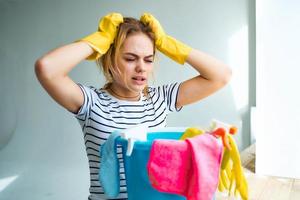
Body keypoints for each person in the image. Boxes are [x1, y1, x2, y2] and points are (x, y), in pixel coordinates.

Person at [35, 12, 231, 200]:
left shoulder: (160, 99)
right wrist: (98, 40)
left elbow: (221, 75)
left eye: (148, 59)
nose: (141, 67)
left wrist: (167, 43)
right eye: (130, 58)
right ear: (110, 60)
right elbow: (47, 68)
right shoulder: (91, 102)